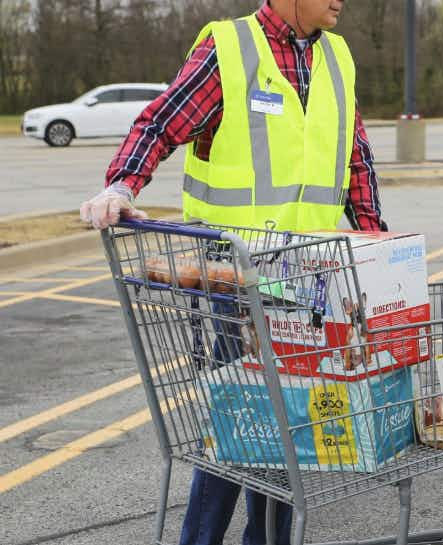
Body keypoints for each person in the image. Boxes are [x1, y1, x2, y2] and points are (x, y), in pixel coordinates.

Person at [79, 1, 386, 544]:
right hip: (233, 280)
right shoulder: (231, 48)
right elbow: (162, 121)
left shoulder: (337, 55)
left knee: (282, 431)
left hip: (305, 283)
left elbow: (354, 154)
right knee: (244, 425)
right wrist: (122, 184)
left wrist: (374, 233)